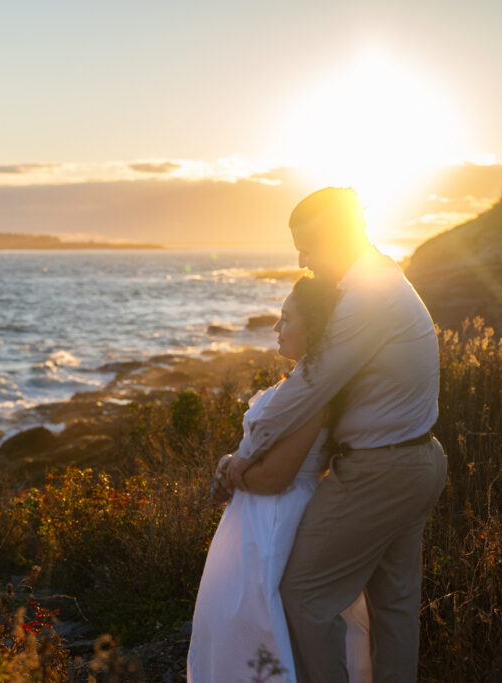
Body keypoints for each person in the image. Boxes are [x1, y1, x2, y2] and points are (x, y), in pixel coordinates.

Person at [227, 187, 447, 683]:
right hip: (415, 460)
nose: (302, 259)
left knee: (303, 596)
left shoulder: (369, 296)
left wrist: (243, 453)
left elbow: (310, 384)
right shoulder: (383, 281)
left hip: (381, 471)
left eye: (308, 246)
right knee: (394, 612)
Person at [187, 275, 372, 683]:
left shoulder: (316, 396)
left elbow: (276, 477)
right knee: (237, 623)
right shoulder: (298, 385)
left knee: (263, 622)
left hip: (278, 519)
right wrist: (228, 462)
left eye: (286, 318)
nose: (276, 327)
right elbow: (259, 455)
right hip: (255, 516)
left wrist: (235, 475)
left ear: (315, 327)